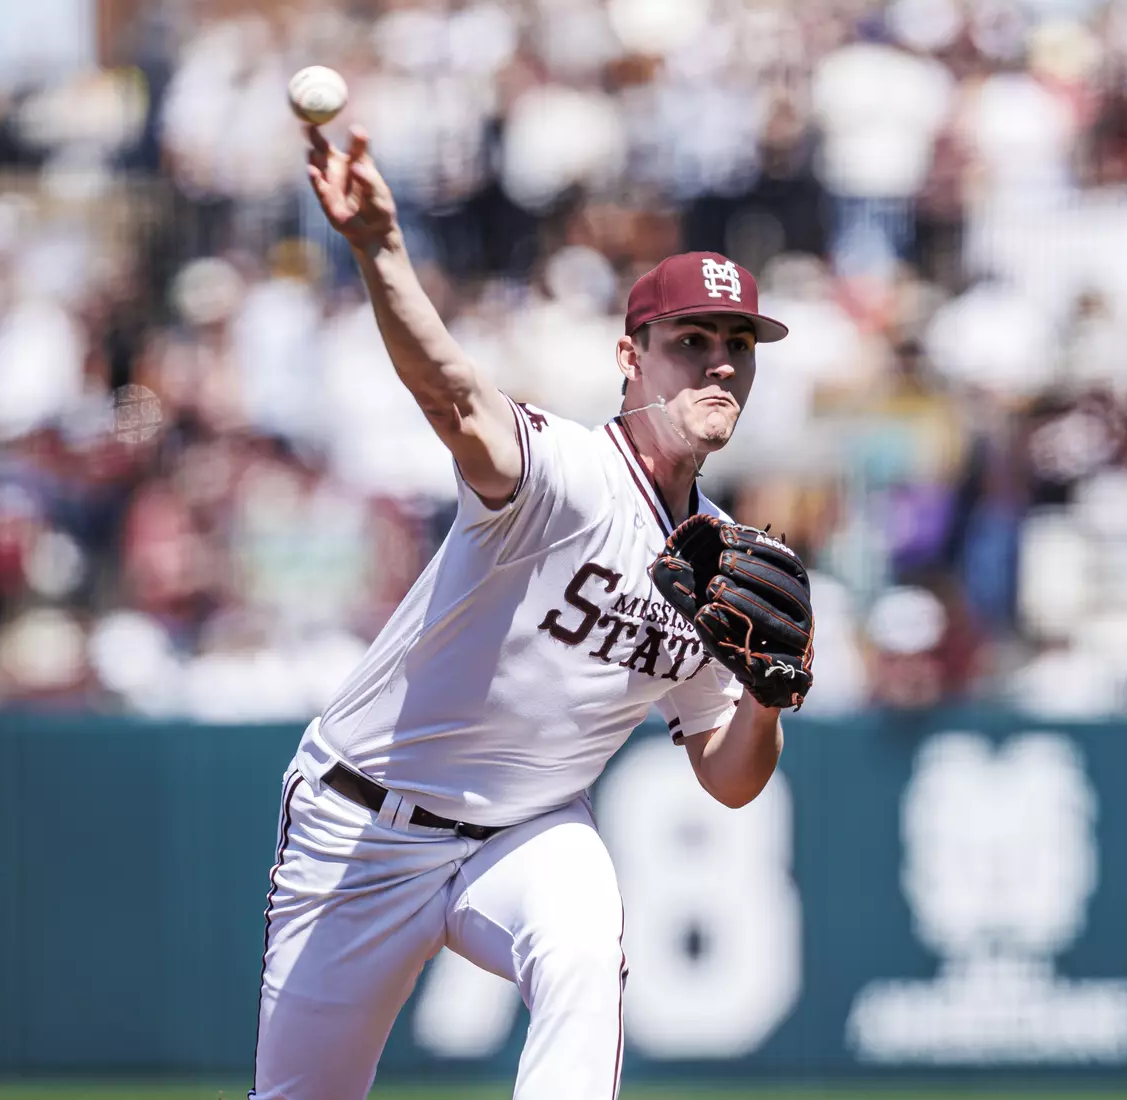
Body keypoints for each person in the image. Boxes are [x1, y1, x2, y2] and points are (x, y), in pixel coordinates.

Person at [250, 125, 801, 1100]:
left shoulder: (721, 561)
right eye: (692, 342)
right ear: (631, 356)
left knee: (585, 946)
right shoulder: (569, 475)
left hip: (525, 831)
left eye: (738, 346)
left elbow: (727, 775)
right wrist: (380, 249)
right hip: (362, 821)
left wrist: (762, 697)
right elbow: (455, 398)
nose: (720, 364)